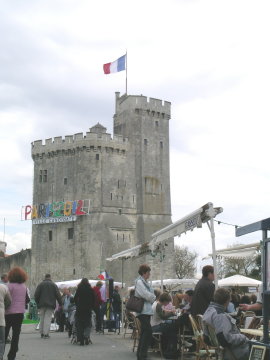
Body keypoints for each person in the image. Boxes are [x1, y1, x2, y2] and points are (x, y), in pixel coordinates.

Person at [203, 288, 249, 360]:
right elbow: (226, 339)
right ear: (228, 300)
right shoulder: (220, 315)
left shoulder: (209, 310)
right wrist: (243, 337)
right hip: (232, 351)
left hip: (220, 349)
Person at [5, 267, 28, 360]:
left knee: (4, 334)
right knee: (16, 334)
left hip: (8, 313)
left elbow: (5, 299)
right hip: (19, 313)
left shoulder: (8, 286)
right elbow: (27, 299)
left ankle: (1, 352)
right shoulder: (24, 286)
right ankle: (12, 354)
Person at [135, 264, 156, 360]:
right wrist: (153, 297)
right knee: (148, 331)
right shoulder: (139, 282)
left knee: (144, 332)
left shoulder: (145, 282)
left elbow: (149, 294)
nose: (149, 274)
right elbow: (145, 294)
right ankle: (142, 355)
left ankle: (140, 354)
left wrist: (151, 296)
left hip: (146, 311)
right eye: (148, 272)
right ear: (144, 273)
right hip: (142, 310)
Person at [34, 274, 62, 339]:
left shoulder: (40, 285)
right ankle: (46, 333)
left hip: (41, 305)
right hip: (50, 304)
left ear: (45, 277)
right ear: (50, 277)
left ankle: (41, 333)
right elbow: (58, 295)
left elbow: (36, 295)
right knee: (47, 319)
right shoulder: (53, 285)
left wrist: (38, 303)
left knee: (42, 318)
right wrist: (61, 303)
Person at [151, 292, 178, 358]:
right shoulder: (158, 305)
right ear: (165, 301)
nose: (168, 304)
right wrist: (172, 313)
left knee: (170, 327)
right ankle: (170, 350)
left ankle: (166, 348)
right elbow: (163, 317)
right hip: (155, 326)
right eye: (168, 302)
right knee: (173, 328)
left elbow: (162, 313)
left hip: (153, 325)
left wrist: (169, 312)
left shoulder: (156, 303)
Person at [74, 278, 95, 345]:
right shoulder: (91, 289)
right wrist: (91, 306)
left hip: (80, 309)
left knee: (79, 324)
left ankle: (81, 338)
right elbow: (94, 299)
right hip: (88, 309)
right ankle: (86, 336)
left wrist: (77, 304)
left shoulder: (79, 289)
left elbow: (75, 298)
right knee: (88, 324)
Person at [0, 283, 11, 360]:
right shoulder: (3, 287)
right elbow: (9, 300)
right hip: (0, 317)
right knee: (1, 340)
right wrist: (3, 307)